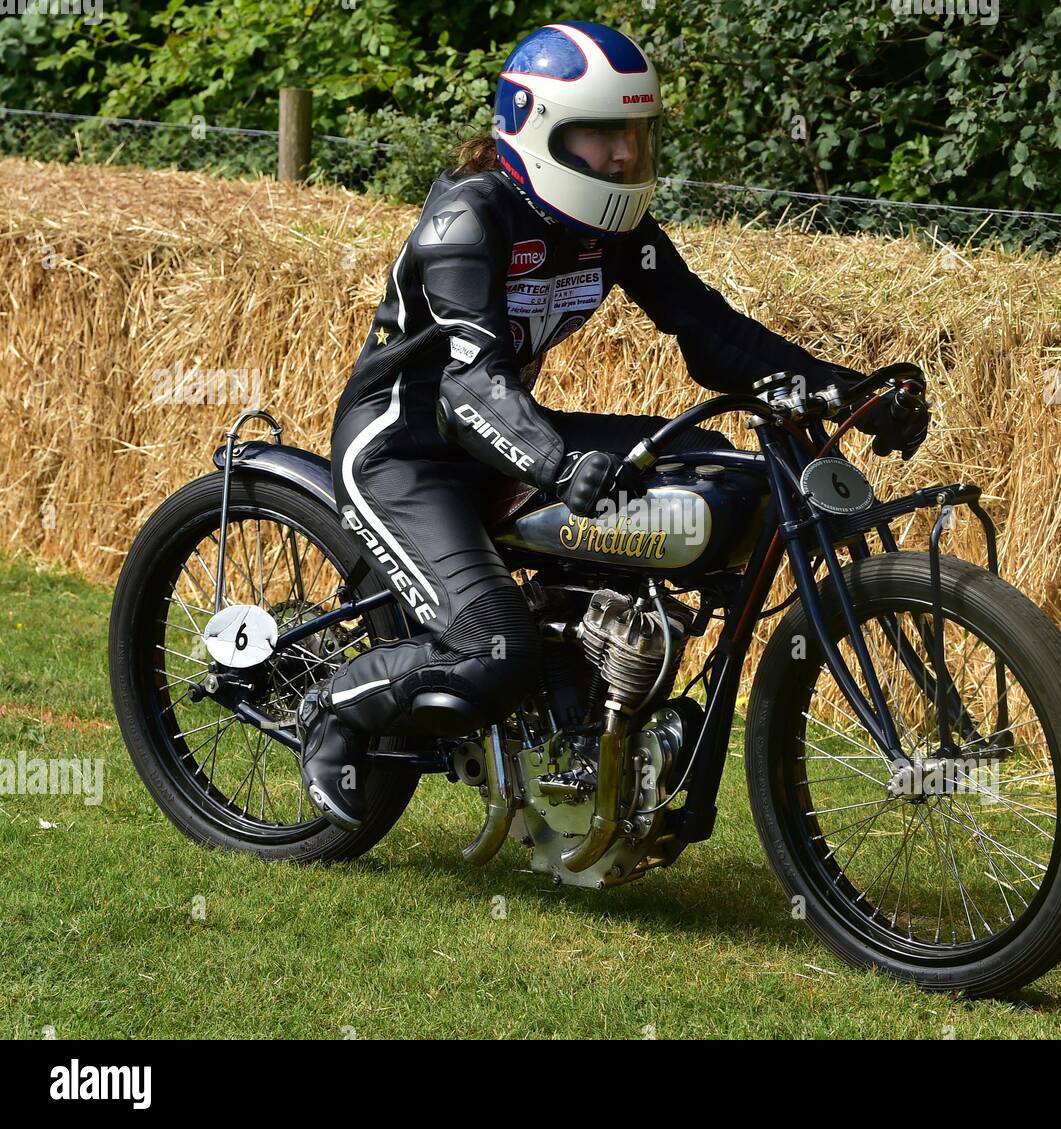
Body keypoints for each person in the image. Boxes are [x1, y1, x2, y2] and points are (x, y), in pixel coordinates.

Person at [297, 19, 929, 830]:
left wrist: (844, 391)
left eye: (633, 133)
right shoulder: (468, 222)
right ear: (541, 130)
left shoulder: (613, 230)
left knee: (715, 471)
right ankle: (335, 710)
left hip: (506, 439)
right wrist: (557, 464)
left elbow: (711, 331)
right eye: (603, 134)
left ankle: (605, 696)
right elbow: (468, 385)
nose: (626, 156)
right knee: (497, 651)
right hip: (404, 450)